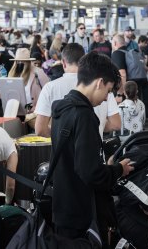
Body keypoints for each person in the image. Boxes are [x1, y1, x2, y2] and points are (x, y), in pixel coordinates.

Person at [51, 51, 134, 240]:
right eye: (108, 90)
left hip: (63, 206)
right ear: (99, 83)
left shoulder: (61, 109)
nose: (106, 98)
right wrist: (117, 170)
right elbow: (90, 173)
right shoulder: (84, 116)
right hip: (82, 214)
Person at [35, 44, 121, 138]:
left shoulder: (49, 87)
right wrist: (97, 127)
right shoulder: (101, 85)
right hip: (95, 149)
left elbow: (40, 129)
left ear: (63, 63)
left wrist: (61, 137)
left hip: (60, 150)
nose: (105, 98)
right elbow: (115, 124)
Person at [7, 48, 49, 114]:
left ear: (28, 61)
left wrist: (40, 107)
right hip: (18, 108)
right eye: (18, 61)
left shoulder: (38, 72)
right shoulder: (14, 73)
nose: (20, 63)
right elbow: (8, 88)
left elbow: (48, 90)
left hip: (34, 110)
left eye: (23, 61)